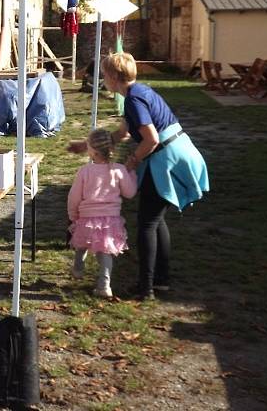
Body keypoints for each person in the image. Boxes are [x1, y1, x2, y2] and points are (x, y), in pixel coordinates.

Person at [69, 52, 209, 300]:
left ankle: (146, 288)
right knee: (157, 220)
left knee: (147, 223)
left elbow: (151, 139)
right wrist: (86, 144)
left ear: (113, 76)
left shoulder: (134, 100)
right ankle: (160, 281)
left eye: (104, 75)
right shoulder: (137, 93)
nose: (103, 79)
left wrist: (130, 163)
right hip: (175, 152)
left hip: (167, 159)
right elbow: (123, 132)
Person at [68, 128, 137, 298]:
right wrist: (131, 172)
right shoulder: (119, 170)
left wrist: (72, 215)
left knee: (81, 242)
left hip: (86, 217)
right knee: (105, 252)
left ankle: (78, 268)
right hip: (110, 220)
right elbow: (130, 193)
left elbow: (74, 196)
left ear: (93, 151)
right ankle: (104, 285)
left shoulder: (84, 171)